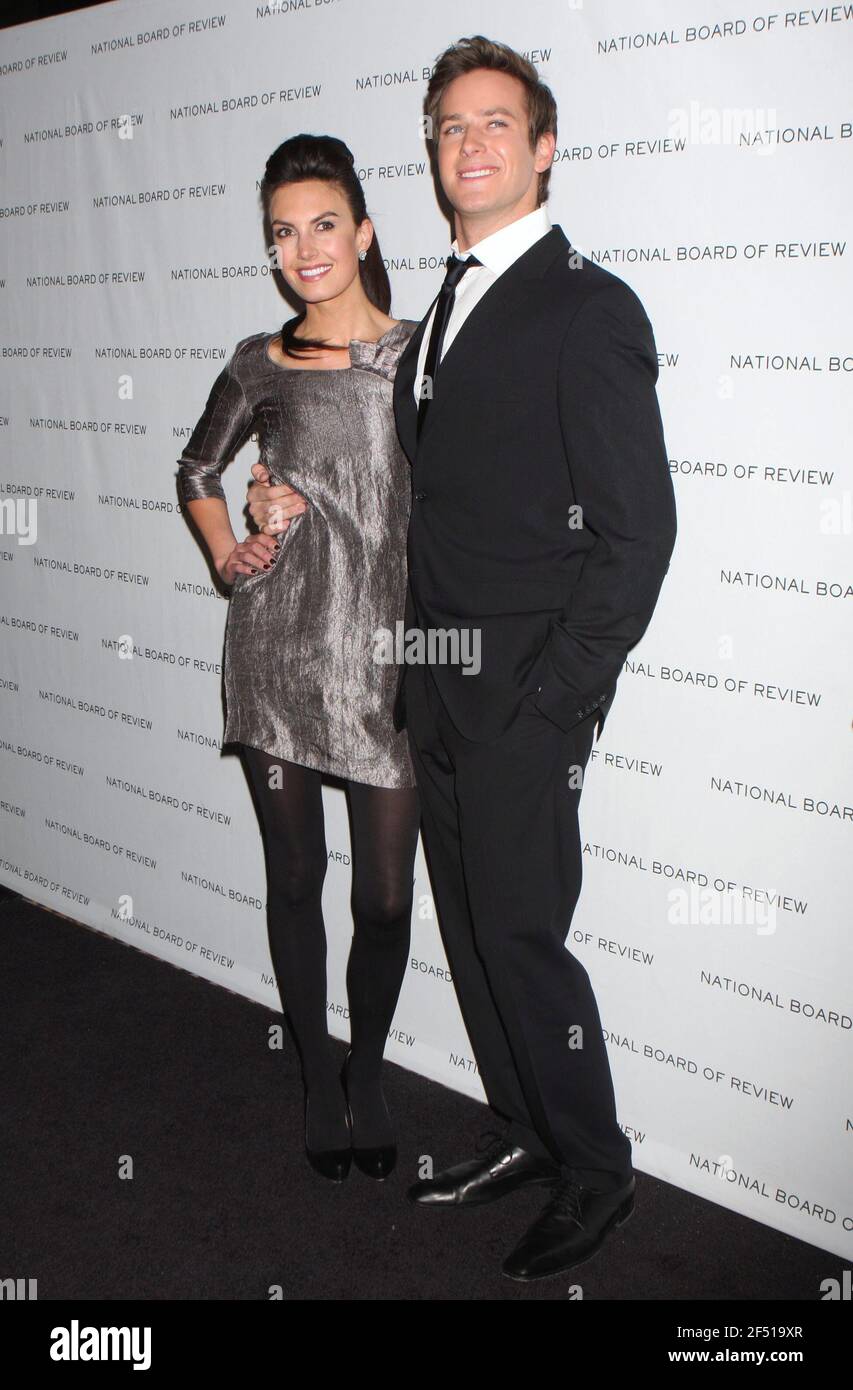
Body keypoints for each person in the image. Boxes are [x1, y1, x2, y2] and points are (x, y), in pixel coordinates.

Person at [390, 35, 677, 1281]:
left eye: (496, 123)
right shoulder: (441, 305)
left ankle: (598, 1172)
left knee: (522, 943)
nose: (473, 143)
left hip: (523, 708)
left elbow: (637, 533)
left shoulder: (587, 307)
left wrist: (557, 698)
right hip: (437, 687)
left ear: (544, 148)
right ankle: (520, 1129)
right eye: (451, 126)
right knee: (470, 934)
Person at [176, 134, 422, 1185]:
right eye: (283, 231)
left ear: (363, 232)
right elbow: (194, 466)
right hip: (276, 650)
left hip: (386, 658)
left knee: (384, 901)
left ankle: (368, 1065)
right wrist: (234, 542)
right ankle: (321, 1080)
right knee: (295, 876)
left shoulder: (423, 354)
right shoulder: (257, 362)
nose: (303, 247)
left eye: (323, 223)